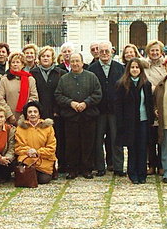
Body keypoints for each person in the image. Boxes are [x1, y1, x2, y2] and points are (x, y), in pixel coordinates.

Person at [54, 52, 102, 179]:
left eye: (77, 61)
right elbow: (58, 95)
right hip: (71, 117)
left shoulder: (91, 77)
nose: (75, 64)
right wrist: (71, 103)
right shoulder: (64, 79)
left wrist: (86, 103)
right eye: (73, 61)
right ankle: (73, 169)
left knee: (88, 143)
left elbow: (98, 94)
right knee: (71, 144)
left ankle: (87, 169)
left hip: (88, 116)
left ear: (82, 63)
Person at [114, 58, 153, 184]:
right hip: (129, 122)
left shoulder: (146, 84)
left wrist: (151, 119)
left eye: (137, 67)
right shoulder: (122, 84)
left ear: (141, 70)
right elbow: (118, 106)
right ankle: (133, 173)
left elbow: (149, 103)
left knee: (142, 147)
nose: (135, 70)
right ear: (128, 69)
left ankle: (142, 173)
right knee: (132, 147)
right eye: (132, 67)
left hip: (143, 120)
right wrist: (120, 123)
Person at [89, 40, 125, 176]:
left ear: (112, 52)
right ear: (98, 53)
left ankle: (118, 167)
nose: (104, 54)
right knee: (98, 140)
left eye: (107, 51)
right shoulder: (92, 69)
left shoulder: (120, 67)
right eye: (102, 51)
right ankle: (100, 167)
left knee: (117, 139)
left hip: (115, 110)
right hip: (98, 110)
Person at [30, 46, 66, 172]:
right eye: (43, 56)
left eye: (48, 56)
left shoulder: (60, 73)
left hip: (56, 112)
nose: (46, 58)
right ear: (39, 58)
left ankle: (58, 166)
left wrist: (57, 109)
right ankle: (42, 166)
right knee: (40, 141)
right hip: (39, 112)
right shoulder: (33, 73)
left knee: (57, 140)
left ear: (52, 58)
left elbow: (63, 92)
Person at [15, 101, 57, 185]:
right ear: (26, 114)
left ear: (39, 114)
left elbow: (51, 148)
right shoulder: (20, 128)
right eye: (30, 112)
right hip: (28, 159)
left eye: (35, 112)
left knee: (43, 180)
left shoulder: (48, 128)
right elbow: (18, 147)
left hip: (44, 161)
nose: (32, 114)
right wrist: (29, 151)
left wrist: (37, 152)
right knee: (28, 176)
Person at [0, 52, 39, 125]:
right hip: (8, 118)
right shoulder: (4, 79)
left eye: (18, 62)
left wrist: (25, 113)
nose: (15, 64)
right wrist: (9, 115)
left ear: (23, 64)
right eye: (13, 62)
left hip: (26, 117)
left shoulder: (30, 79)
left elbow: (34, 97)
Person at [145, 40, 167, 175]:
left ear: (161, 52)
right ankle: (151, 164)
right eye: (152, 50)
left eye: (157, 50)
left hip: (163, 102)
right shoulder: (144, 66)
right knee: (150, 137)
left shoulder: (166, 66)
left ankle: (162, 164)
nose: (154, 53)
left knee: (162, 137)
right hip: (148, 103)